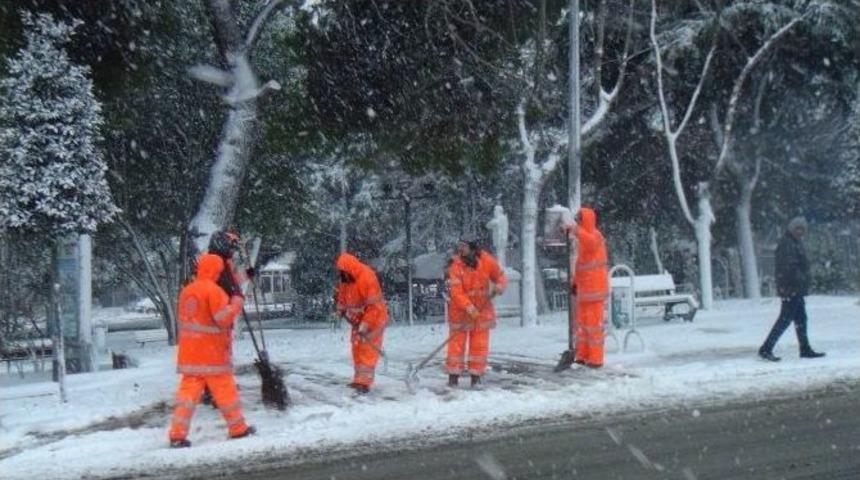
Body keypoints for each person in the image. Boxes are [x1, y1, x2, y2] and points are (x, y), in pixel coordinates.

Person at [168, 253, 255, 448]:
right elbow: (223, 318)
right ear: (217, 271)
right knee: (226, 393)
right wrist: (236, 304)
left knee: (186, 397)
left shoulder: (187, 291)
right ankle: (238, 429)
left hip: (190, 354)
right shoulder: (214, 292)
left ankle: (177, 434)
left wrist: (243, 277)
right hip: (212, 354)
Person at [758, 217, 825, 362]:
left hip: (796, 288)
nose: (800, 232)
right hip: (791, 288)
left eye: (802, 229)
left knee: (801, 319)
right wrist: (799, 279)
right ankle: (766, 348)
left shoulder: (795, 243)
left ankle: (805, 348)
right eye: (797, 228)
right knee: (785, 319)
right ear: (791, 229)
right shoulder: (787, 244)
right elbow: (788, 267)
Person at [446, 237, 508, 388]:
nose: (460, 249)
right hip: (460, 313)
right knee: (456, 346)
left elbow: (501, 276)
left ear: (473, 248)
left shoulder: (487, 261)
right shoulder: (456, 266)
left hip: (482, 312)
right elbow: (456, 291)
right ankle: (453, 377)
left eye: (464, 246)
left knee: (479, 347)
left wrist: (500, 286)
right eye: (459, 246)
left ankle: (476, 376)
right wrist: (469, 307)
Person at [335, 252, 389, 394]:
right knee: (357, 347)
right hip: (357, 320)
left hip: (375, 319)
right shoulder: (346, 279)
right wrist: (340, 310)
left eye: (343, 272)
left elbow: (374, 307)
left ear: (349, 269)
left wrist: (365, 325)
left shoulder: (367, 277)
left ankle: (364, 383)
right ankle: (358, 380)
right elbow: (342, 296)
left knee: (367, 349)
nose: (342, 276)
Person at [570, 207, 609, 368]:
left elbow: (591, 243)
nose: (578, 223)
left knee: (593, 327)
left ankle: (596, 358)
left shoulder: (595, 236)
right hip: (585, 291)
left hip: (595, 291)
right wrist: (575, 283)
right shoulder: (584, 244)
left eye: (580, 220)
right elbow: (581, 266)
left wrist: (576, 230)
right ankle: (583, 355)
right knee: (583, 325)